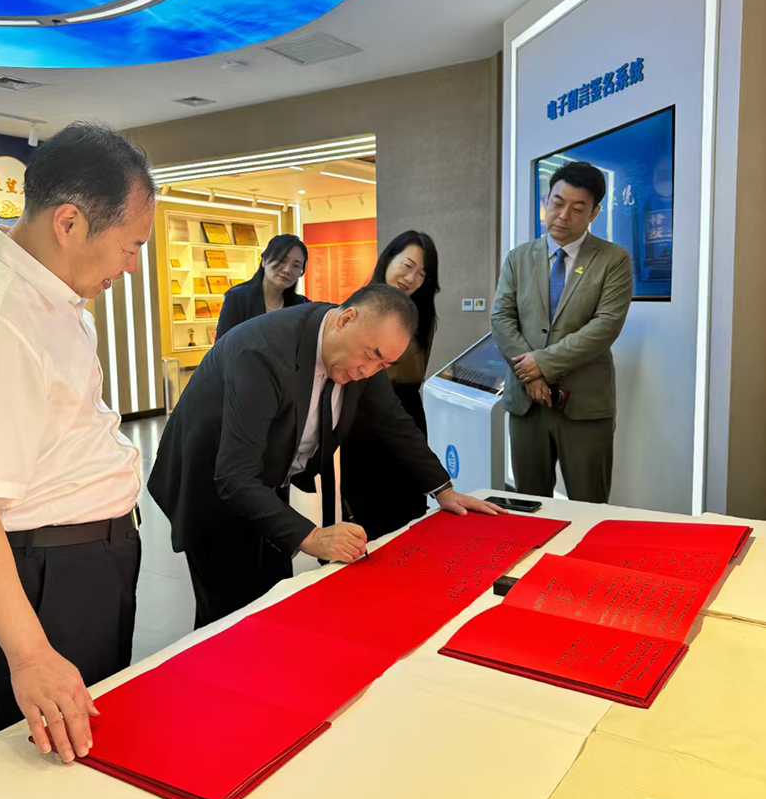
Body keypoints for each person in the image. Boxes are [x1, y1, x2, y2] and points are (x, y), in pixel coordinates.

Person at [0, 122, 156, 764]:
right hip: (40, 579)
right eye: (131, 246)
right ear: (69, 222)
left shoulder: (48, 299)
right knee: (55, 764)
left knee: (94, 753)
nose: (131, 266)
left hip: (74, 567)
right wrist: (30, 654)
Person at [149, 284, 503, 627]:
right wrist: (313, 537)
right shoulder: (262, 353)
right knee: (229, 614)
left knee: (271, 597)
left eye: (383, 365)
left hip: (264, 477)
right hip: (209, 484)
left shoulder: (364, 350)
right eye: (371, 357)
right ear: (345, 319)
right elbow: (233, 476)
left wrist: (443, 489)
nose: (368, 372)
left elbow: (393, 422)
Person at [490, 160, 633, 504]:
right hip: (527, 404)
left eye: (577, 208)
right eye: (557, 203)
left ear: (594, 213)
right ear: (546, 201)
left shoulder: (613, 260)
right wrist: (530, 375)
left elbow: (605, 326)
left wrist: (541, 364)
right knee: (529, 504)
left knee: (589, 503)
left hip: (584, 405)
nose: (563, 215)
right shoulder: (519, 258)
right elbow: (502, 317)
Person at [341, 230, 440, 539]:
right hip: (363, 417)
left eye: (422, 274)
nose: (411, 278)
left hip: (408, 413)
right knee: (369, 510)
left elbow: (416, 375)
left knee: (409, 506)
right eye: (407, 265)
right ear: (389, 258)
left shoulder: (422, 317)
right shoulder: (358, 307)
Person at [216, 233, 308, 338]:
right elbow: (222, 344)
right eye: (282, 260)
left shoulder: (301, 305)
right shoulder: (238, 298)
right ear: (264, 260)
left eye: (296, 266)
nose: (287, 270)